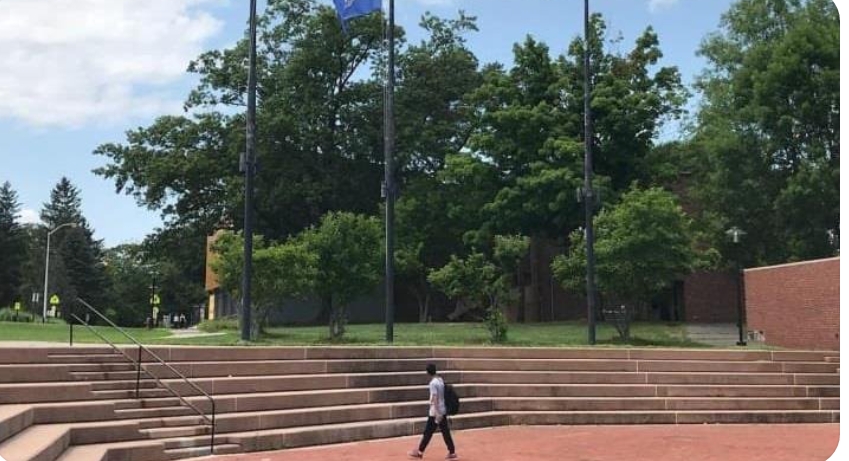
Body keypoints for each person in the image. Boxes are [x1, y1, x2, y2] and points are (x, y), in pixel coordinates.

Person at [409, 363, 457, 459]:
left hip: (435, 412)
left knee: (428, 432)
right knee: (445, 432)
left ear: (428, 373)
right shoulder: (440, 380)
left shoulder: (433, 383)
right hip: (442, 409)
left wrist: (437, 412)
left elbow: (435, 397)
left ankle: (420, 451)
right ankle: (452, 451)